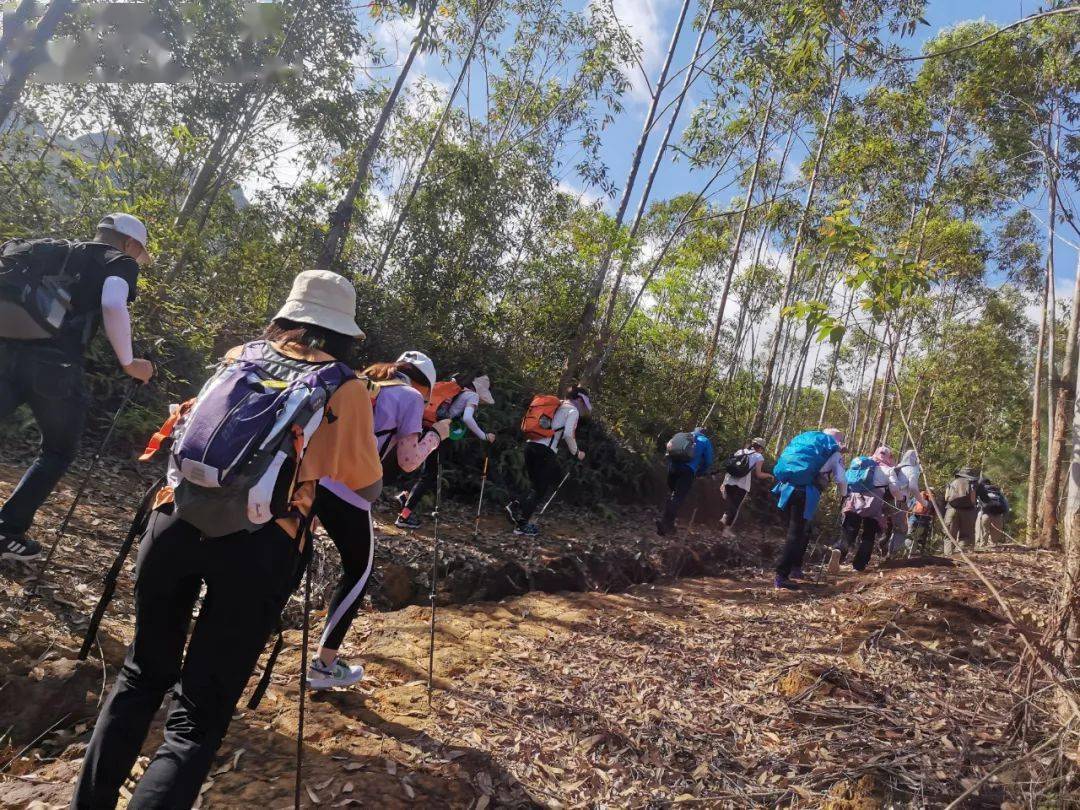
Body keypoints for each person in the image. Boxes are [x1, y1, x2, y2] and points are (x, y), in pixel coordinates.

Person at [73, 270, 382, 809]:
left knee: (142, 677)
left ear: (288, 315)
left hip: (173, 521)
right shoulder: (344, 385)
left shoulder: (242, 354)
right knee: (199, 714)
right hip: (259, 545)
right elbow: (367, 485)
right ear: (343, 332)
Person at [0, 214, 155, 561]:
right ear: (130, 244)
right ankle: (6, 530)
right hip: (55, 369)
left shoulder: (57, 250)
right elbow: (113, 303)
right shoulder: (119, 261)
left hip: (6, 351)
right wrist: (130, 363)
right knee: (57, 451)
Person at [310, 350, 450, 688]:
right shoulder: (411, 397)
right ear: (424, 385)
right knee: (358, 572)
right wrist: (437, 436)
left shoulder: (364, 382)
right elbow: (407, 460)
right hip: (349, 491)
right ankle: (323, 667)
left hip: (310, 481)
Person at [395, 372, 495, 529]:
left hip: (425, 426)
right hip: (439, 433)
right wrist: (484, 436)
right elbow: (468, 418)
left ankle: (405, 497)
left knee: (422, 468)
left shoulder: (454, 392)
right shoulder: (472, 396)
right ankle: (404, 516)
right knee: (428, 475)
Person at [506, 385, 591, 537]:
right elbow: (568, 435)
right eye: (584, 403)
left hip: (530, 446)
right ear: (579, 399)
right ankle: (521, 525)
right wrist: (577, 452)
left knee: (536, 487)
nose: (584, 407)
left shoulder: (557, 405)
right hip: (545, 451)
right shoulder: (573, 411)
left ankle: (516, 507)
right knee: (540, 489)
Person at [771, 428, 847, 590]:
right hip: (805, 492)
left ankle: (795, 568)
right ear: (837, 441)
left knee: (804, 530)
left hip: (785, 488)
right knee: (796, 533)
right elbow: (841, 478)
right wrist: (844, 495)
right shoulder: (833, 452)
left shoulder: (807, 443)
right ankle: (781, 575)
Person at [842, 446, 903, 572]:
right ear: (888, 456)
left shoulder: (862, 463)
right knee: (869, 534)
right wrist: (902, 498)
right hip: (873, 504)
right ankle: (859, 566)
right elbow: (895, 490)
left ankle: (839, 553)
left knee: (850, 529)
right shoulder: (888, 469)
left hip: (854, 499)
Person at [656, 427, 714, 536]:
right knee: (677, 498)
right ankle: (665, 524)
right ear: (705, 434)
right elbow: (708, 461)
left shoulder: (681, 436)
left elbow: (669, 449)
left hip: (673, 469)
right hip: (687, 471)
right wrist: (699, 472)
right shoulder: (705, 441)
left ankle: (668, 524)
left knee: (673, 496)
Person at [719, 437, 773, 538]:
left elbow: (730, 466)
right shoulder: (758, 456)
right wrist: (769, 475)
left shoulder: (740, 451)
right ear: (761, 448)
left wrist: (723, 482)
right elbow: (759, 474)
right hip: (742, 484)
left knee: (731, 503)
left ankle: (724, 519)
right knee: (735, 506)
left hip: (729, 480)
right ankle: (725, 530)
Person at [943, 467, 979, 554]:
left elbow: (946, 497)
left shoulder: (952, 482)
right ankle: (962, 556)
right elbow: (973, 500)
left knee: (949, 536)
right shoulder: (971, 483)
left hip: (952, 510)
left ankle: (948, 555)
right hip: (967, 512)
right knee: (965, 535)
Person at [975, 477, 1009, 549]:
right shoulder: (998, 492)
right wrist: (1004, 516)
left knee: (983, 534)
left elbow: (975, 504)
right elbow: (1006, 506)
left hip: (984, 514)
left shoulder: (980, 491)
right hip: (998, 515)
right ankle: (993, 548)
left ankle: (981, 548)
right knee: (994, 540)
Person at [908, 488, 937, 555]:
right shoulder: (932, 500)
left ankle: (909, 553)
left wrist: (907, 520)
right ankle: (918, 553)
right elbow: (934, 513)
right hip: (924, 521)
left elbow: (909, 508)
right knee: (920, 539)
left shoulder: (917, 497)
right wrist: (933, 522)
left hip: (914, 519)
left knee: (910, 536)